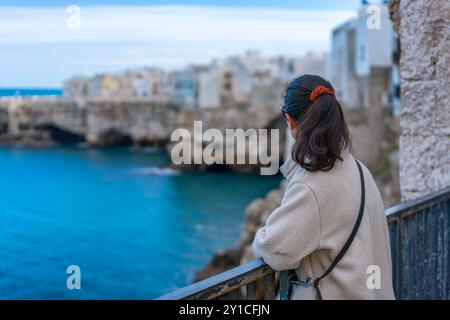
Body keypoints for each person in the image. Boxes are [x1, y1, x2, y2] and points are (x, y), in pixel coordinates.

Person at [252, 75, 395, 300]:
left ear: (289, 120)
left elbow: (275, 250)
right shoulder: (358, 168)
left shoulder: (311, 184)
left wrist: (261, 233)